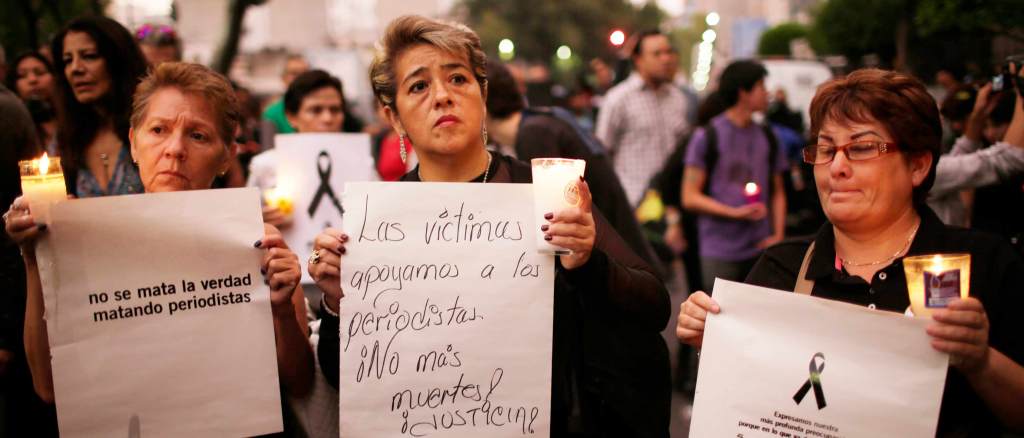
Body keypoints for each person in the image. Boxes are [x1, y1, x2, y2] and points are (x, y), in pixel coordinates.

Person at [308, 15, 671, 437]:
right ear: (393, 117)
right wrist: (336, 304)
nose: (442, 96)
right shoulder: (381, 223)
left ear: (482, 93)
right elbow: (346, 378)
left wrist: (588, 261)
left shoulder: (543, 191)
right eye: (419, 86)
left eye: (457, 79)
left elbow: (655, 304)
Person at [677, 68, 1024, 436]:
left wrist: (982, 361)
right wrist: (716, 342)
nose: (837, 168)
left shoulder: (981, 264)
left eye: (861, 148)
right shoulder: (784, 267)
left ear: (919, 165)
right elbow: (747, 408)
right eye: (826, 150)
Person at [4, 62, 314, 406]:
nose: (175, 149)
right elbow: (48, 387)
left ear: (227, 155)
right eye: (158, 130)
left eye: (198, 135)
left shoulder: (259, 242)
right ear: (134, 143)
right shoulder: (91, 241)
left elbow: (298, 383)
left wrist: (283, 310)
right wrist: (36, 257)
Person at [484, 58, 662, 272]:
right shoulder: (544, 121)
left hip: (621, 268)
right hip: (625, 259)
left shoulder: (534, 134)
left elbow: (554, 227)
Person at [682, 60, 787, 290]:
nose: (767, 92)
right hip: (719, 249)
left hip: (761, 247)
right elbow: (689, 197)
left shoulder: (768, 136)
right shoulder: (707, 136)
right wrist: (734, 213)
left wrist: (778, 235)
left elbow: (778, 191)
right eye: (761, 86)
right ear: (743, 92)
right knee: (719, 317)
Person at [51, 16, 147, 197]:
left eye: (89, 56)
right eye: (67, 60)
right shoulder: (65, 139)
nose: (75, 68)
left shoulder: (155, 127)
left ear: (119, 61)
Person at [595, 30, 688, 207]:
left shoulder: (678, 98)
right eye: (657, 54)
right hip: (631, 204)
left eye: (668, 52)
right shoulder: (618, 99)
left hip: (669, 206)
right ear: (638, 59)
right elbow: (602, 154)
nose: (665, 59)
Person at [247, 69, 346, 227]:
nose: (327, 118)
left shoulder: (361, 163)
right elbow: (248, 228)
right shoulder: (265, 165)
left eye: (335, 110)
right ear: (291, 117)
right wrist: (259, 223)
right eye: (316, 110)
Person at [6, 52, 58, 154]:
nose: (32, 80)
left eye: (40, 73)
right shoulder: (11, 129)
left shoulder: (75, 121)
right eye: (22, 75)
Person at [261, 54, 310, 146]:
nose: (300, 77)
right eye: (294, 73)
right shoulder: (271, 113)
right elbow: (268, 149)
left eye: (305, 73)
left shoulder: (322, 109)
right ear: (283, 78)